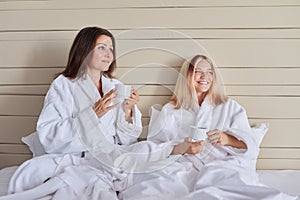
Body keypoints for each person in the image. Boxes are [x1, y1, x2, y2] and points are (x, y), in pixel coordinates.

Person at [118, 55, 299, 200]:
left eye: (209, 72)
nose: (205, 77)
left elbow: (249, 145)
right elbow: (157, 147)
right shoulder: (171, 110)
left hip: (221, 165)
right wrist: (184, 148)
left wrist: (227, 139)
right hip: (181, 167)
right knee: (156, 189)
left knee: (226, 186)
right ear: (187, 76)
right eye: (198, 71)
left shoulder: (229, 107)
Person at [3, 26, 144, 200]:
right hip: (77, 156)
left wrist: (128, 110)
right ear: (84, 50)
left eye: (111, 49)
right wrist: (92, 115)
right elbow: (49, 135)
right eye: (101, 47)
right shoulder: (63, 85)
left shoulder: (115, 86)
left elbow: (127, 140)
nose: (108, 54)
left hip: (108, 155)